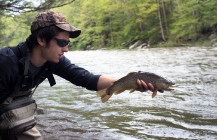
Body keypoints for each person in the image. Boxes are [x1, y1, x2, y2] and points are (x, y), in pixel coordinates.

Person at [0, 10, 157, 140]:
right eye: (62, 43)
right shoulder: (6, 63)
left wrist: (131, 82)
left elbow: (86, 79)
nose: (66, 49)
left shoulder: (53, 60)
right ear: (41, 39)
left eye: (68, 43)